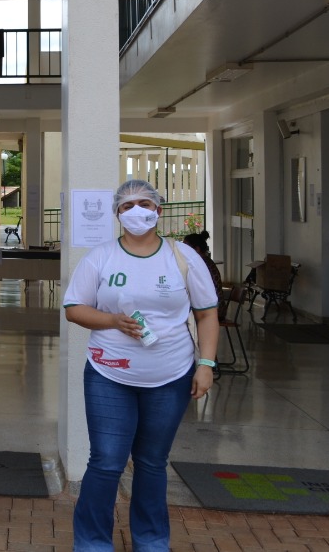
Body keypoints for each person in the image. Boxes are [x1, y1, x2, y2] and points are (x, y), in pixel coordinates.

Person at [63, 179, 219, 552]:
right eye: (127, 206)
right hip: (108, 373)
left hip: (171, 376)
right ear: (117, 214)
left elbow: (207, 313)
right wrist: (112, 321)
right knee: (106, 461)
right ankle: (92, 542)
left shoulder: (182, 257)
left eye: (144, 203)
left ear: (158, 211)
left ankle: (151, 541)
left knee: (151, 462)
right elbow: (74, 308)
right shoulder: (101, 257)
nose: (136, 211)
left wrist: (206, 364)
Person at [182, 231, 223, 296]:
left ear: (197, 249)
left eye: (186, 248)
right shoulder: (204, 261)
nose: (182, 251)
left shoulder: (201, 264)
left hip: (211, 304)